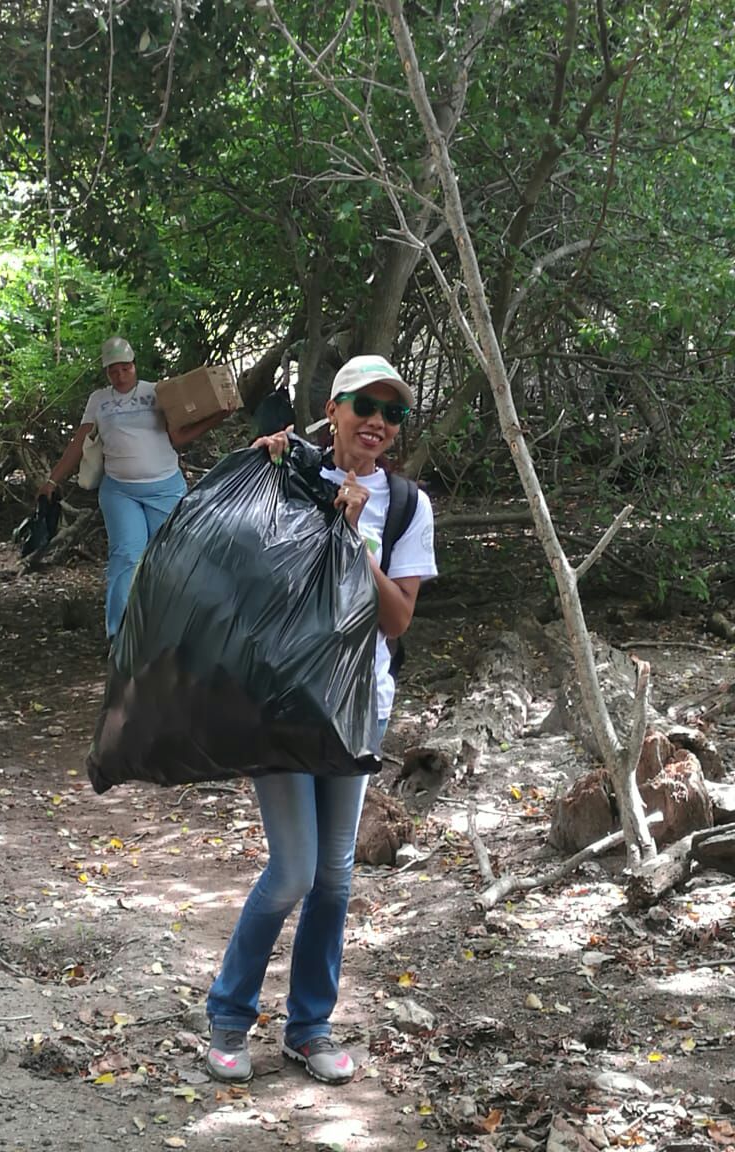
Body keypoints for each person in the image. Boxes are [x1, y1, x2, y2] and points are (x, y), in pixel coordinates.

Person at [205, 353, 437, 1086]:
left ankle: (309, 1028)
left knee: (334, 877)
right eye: (364, 405)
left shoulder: (407, 506)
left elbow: (396, 620)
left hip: (358, 705)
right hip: (279, 700)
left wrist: (353, 538)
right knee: (293, 871)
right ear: (332, 408)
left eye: (392, 412)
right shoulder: (286, 472)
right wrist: (266, 462)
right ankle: (228, 1019)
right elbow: (237, 565)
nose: (377, 422)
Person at [37, 337, 231, 640]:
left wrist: (219, 415)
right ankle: (119, 634)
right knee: (126, 555)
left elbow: (178, 438)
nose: (120, 375)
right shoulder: (99, 400)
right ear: (106, 372)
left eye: (125, 368)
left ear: (134, 366)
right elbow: (79, 443)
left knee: (170, 557)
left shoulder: (156, 392)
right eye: (113, 371)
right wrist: (52, 480)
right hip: (120, 491)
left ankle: (173, 632)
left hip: (165, 488)